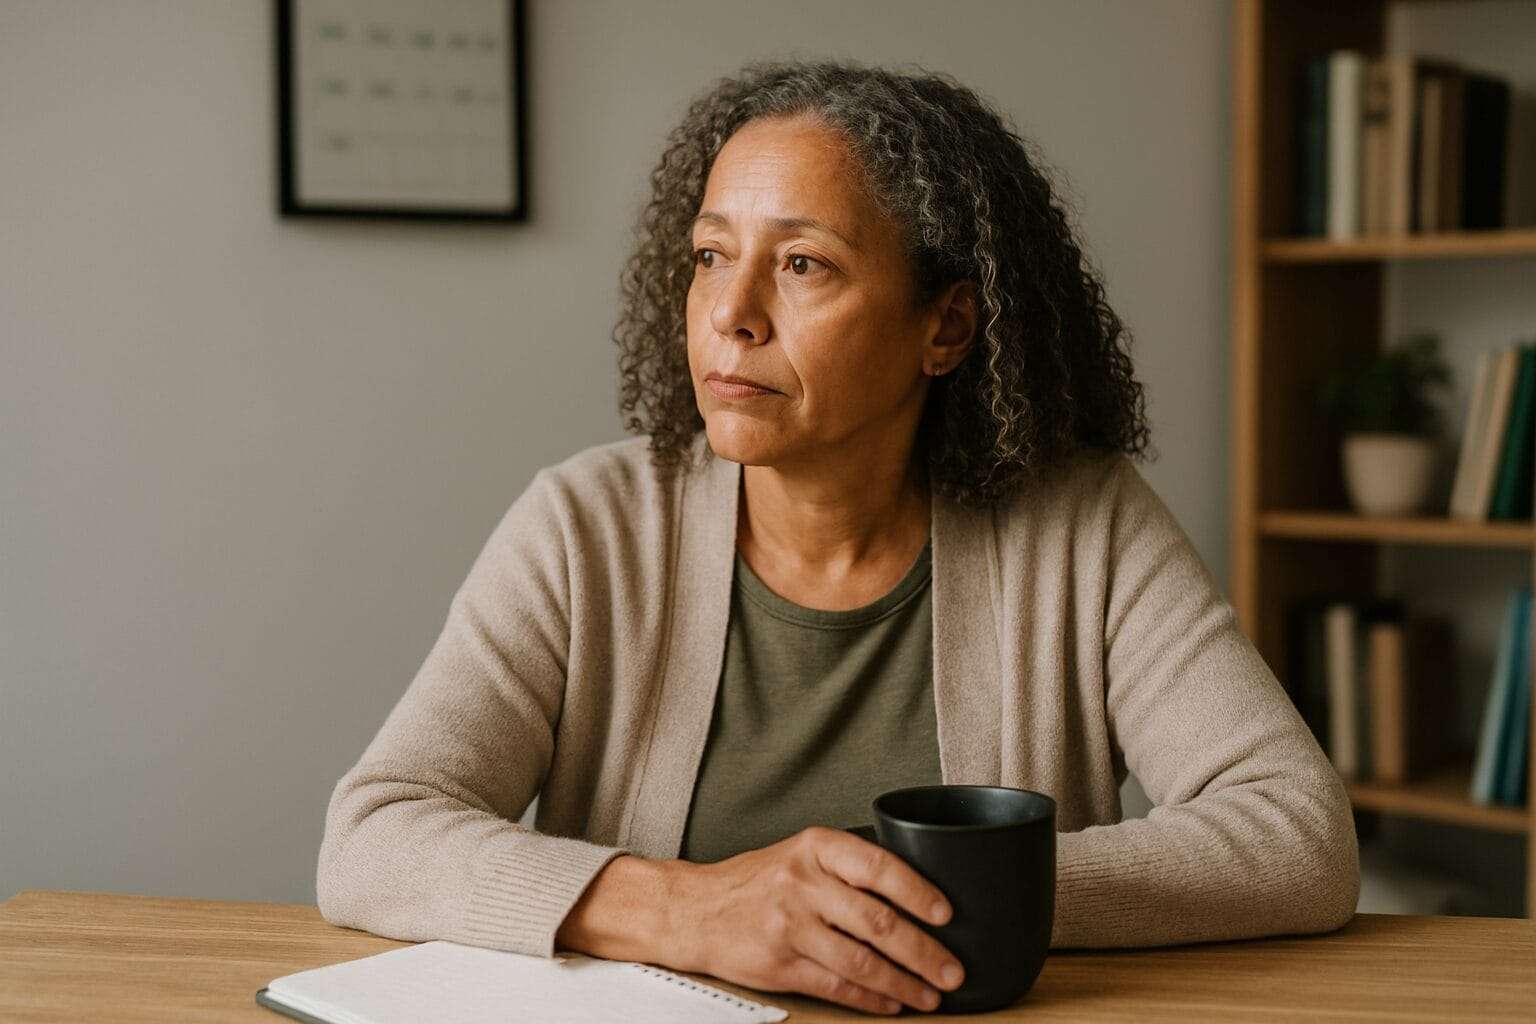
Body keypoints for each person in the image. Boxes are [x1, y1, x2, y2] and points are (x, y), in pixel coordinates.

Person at [317, 59, 1359, 1016]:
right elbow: (374, 836)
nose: (731, 312)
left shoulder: (1082, 525)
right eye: (711, 254)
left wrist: (900, 895)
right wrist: (689, 908)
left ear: (946, 327)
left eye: (804, 264)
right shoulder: (587, 527)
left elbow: (1296, 835)